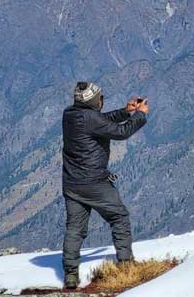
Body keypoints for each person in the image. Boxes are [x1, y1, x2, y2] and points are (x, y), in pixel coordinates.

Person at [61, 82, 149, 289]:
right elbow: (121, 133)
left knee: (74, 229)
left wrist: (125, 111)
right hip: (95, 183)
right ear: (93, 101)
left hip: (72, 183)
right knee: (119, 217)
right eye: (100, 98)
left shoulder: (69, 114)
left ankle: (71, 275)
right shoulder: (90, 118)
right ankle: (126, 264)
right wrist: (140, 115)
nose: (102, 101)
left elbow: (99, 121)